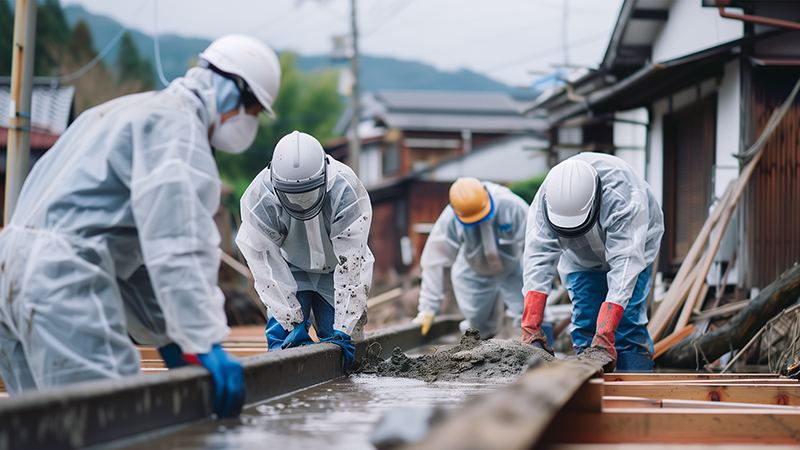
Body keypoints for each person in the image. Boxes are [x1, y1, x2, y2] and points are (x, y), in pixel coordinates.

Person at [0, 34, 281, 418]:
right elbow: (177, 247)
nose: (249, 121)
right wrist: (203, 340)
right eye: (253, 109)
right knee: (117, 422)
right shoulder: (179, 133)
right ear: (235, 95)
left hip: (8, 274)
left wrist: (171, 340)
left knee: (39, 430)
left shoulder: (125, 111)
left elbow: (138, 266)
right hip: (62, 282)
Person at [236, 130, 374, 372]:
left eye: (307, 194)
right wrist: (291, 321)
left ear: (324, 178)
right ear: (276, 184)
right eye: (293, 197)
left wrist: (345, 327)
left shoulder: (345, 190)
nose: (301, 203)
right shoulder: (260, 198)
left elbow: (351, 262)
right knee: (284, 345)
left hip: (336, 272)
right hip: (289, 269)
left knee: (344, 347)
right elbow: (266, 266)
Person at [521, 152, 664, 372]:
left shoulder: (623, 196)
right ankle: (588, 386)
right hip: (579, 258)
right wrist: (531, 325)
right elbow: (537, 259)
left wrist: (606, 332)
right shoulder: (547, 199)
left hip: (635, 245)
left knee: (627, 323)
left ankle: (634, 385)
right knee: (586, 322)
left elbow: (625, 267)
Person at [412, 177, 529, 340]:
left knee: (532, 313)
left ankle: (542, 353)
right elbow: (434, 262)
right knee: (477, 324)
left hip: (513, 269)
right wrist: (427, 308)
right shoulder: (449, 220)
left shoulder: (512, 206)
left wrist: (543, 278)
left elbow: (535, 245)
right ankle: (480, 359)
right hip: (473, 272)